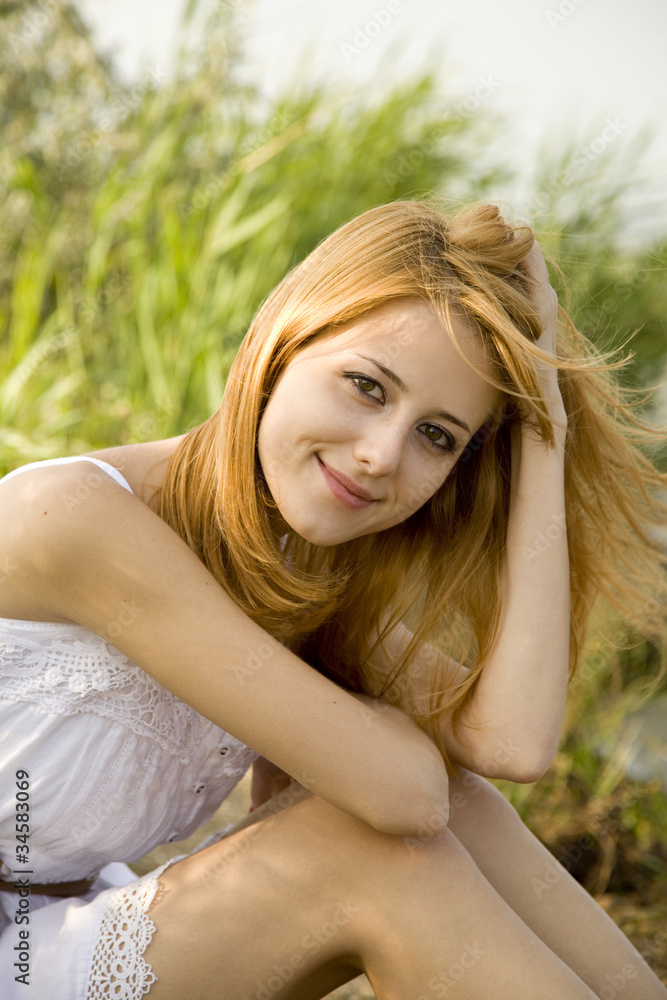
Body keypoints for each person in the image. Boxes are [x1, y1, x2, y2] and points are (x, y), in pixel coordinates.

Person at [0, 200, 665, 1000]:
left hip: (53, 932)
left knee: (461, 804)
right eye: (365, 386)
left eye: (438, 436)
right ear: (282, 343)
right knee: (377, 846)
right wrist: (373, 740)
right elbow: (403, 796)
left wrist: (545, 430)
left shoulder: (290, 569)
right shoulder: (71, 520)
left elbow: (510, 747)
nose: (381, 455)